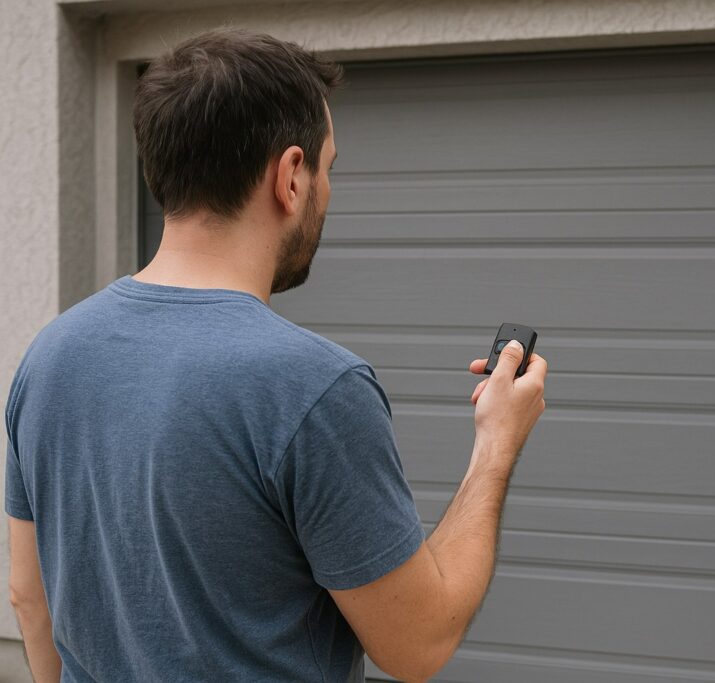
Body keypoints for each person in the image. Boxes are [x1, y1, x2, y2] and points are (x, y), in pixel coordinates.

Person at [4, 28, 547, 683]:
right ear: (291, 175)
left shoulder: (50, 357)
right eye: (328, 167)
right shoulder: (315, 387)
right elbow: (418, 643)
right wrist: (495, 448)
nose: (327, 189)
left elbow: (30, 599)